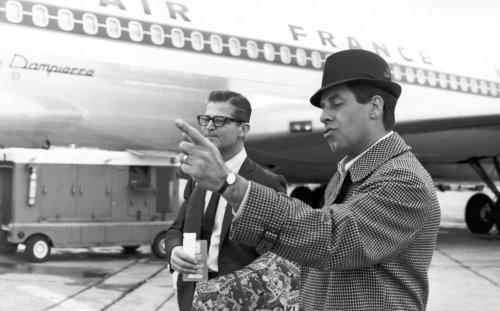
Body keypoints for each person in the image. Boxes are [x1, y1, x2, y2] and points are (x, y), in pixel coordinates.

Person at [174, 49, 441, 311]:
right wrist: (218, 295)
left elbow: (330, 239)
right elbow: (307, 260)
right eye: (323, 107)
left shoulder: (404, 179)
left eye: (336, 104)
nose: (323, 116)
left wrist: (228, 184)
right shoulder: (347, 174)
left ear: (374, 106)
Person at [165, 90, 287, 311]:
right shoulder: (197, 179)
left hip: (241, 299)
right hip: (193, 292)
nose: (209, 126)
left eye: (220, 120)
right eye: (205, 119)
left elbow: (275, 258)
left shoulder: (266, 182)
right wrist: (174, 251)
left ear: (243, 129)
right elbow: (176, 229)